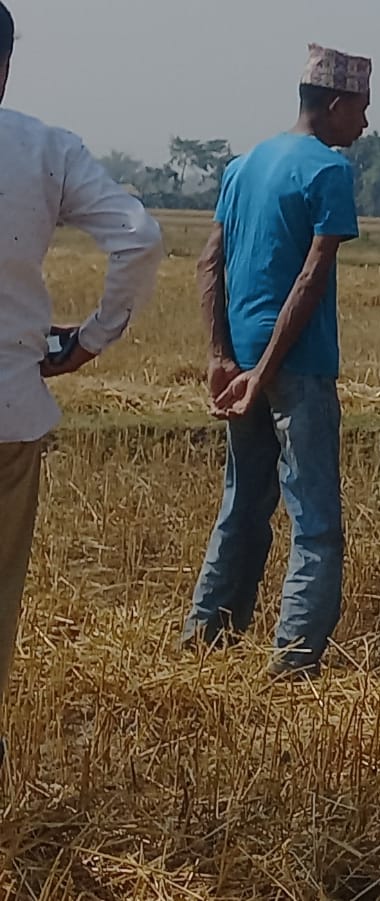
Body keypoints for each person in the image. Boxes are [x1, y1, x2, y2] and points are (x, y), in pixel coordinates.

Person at [181, 44, 371, 680]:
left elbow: (211, 261)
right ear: (337, 105)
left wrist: (221, 356)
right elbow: (312, 277)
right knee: (314, 519)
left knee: (243, 501)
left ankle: (207, 634)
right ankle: (294, 662)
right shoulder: (330, 171)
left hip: (240, 359)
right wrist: (265, 371)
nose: (366, 125)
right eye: (363, 110)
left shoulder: (244, 164)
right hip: (299, 364)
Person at [1, 0, 164, 732]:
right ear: (5, 67)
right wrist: (93, 338)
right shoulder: (42, 148)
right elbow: (140, 238)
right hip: (10, 409)